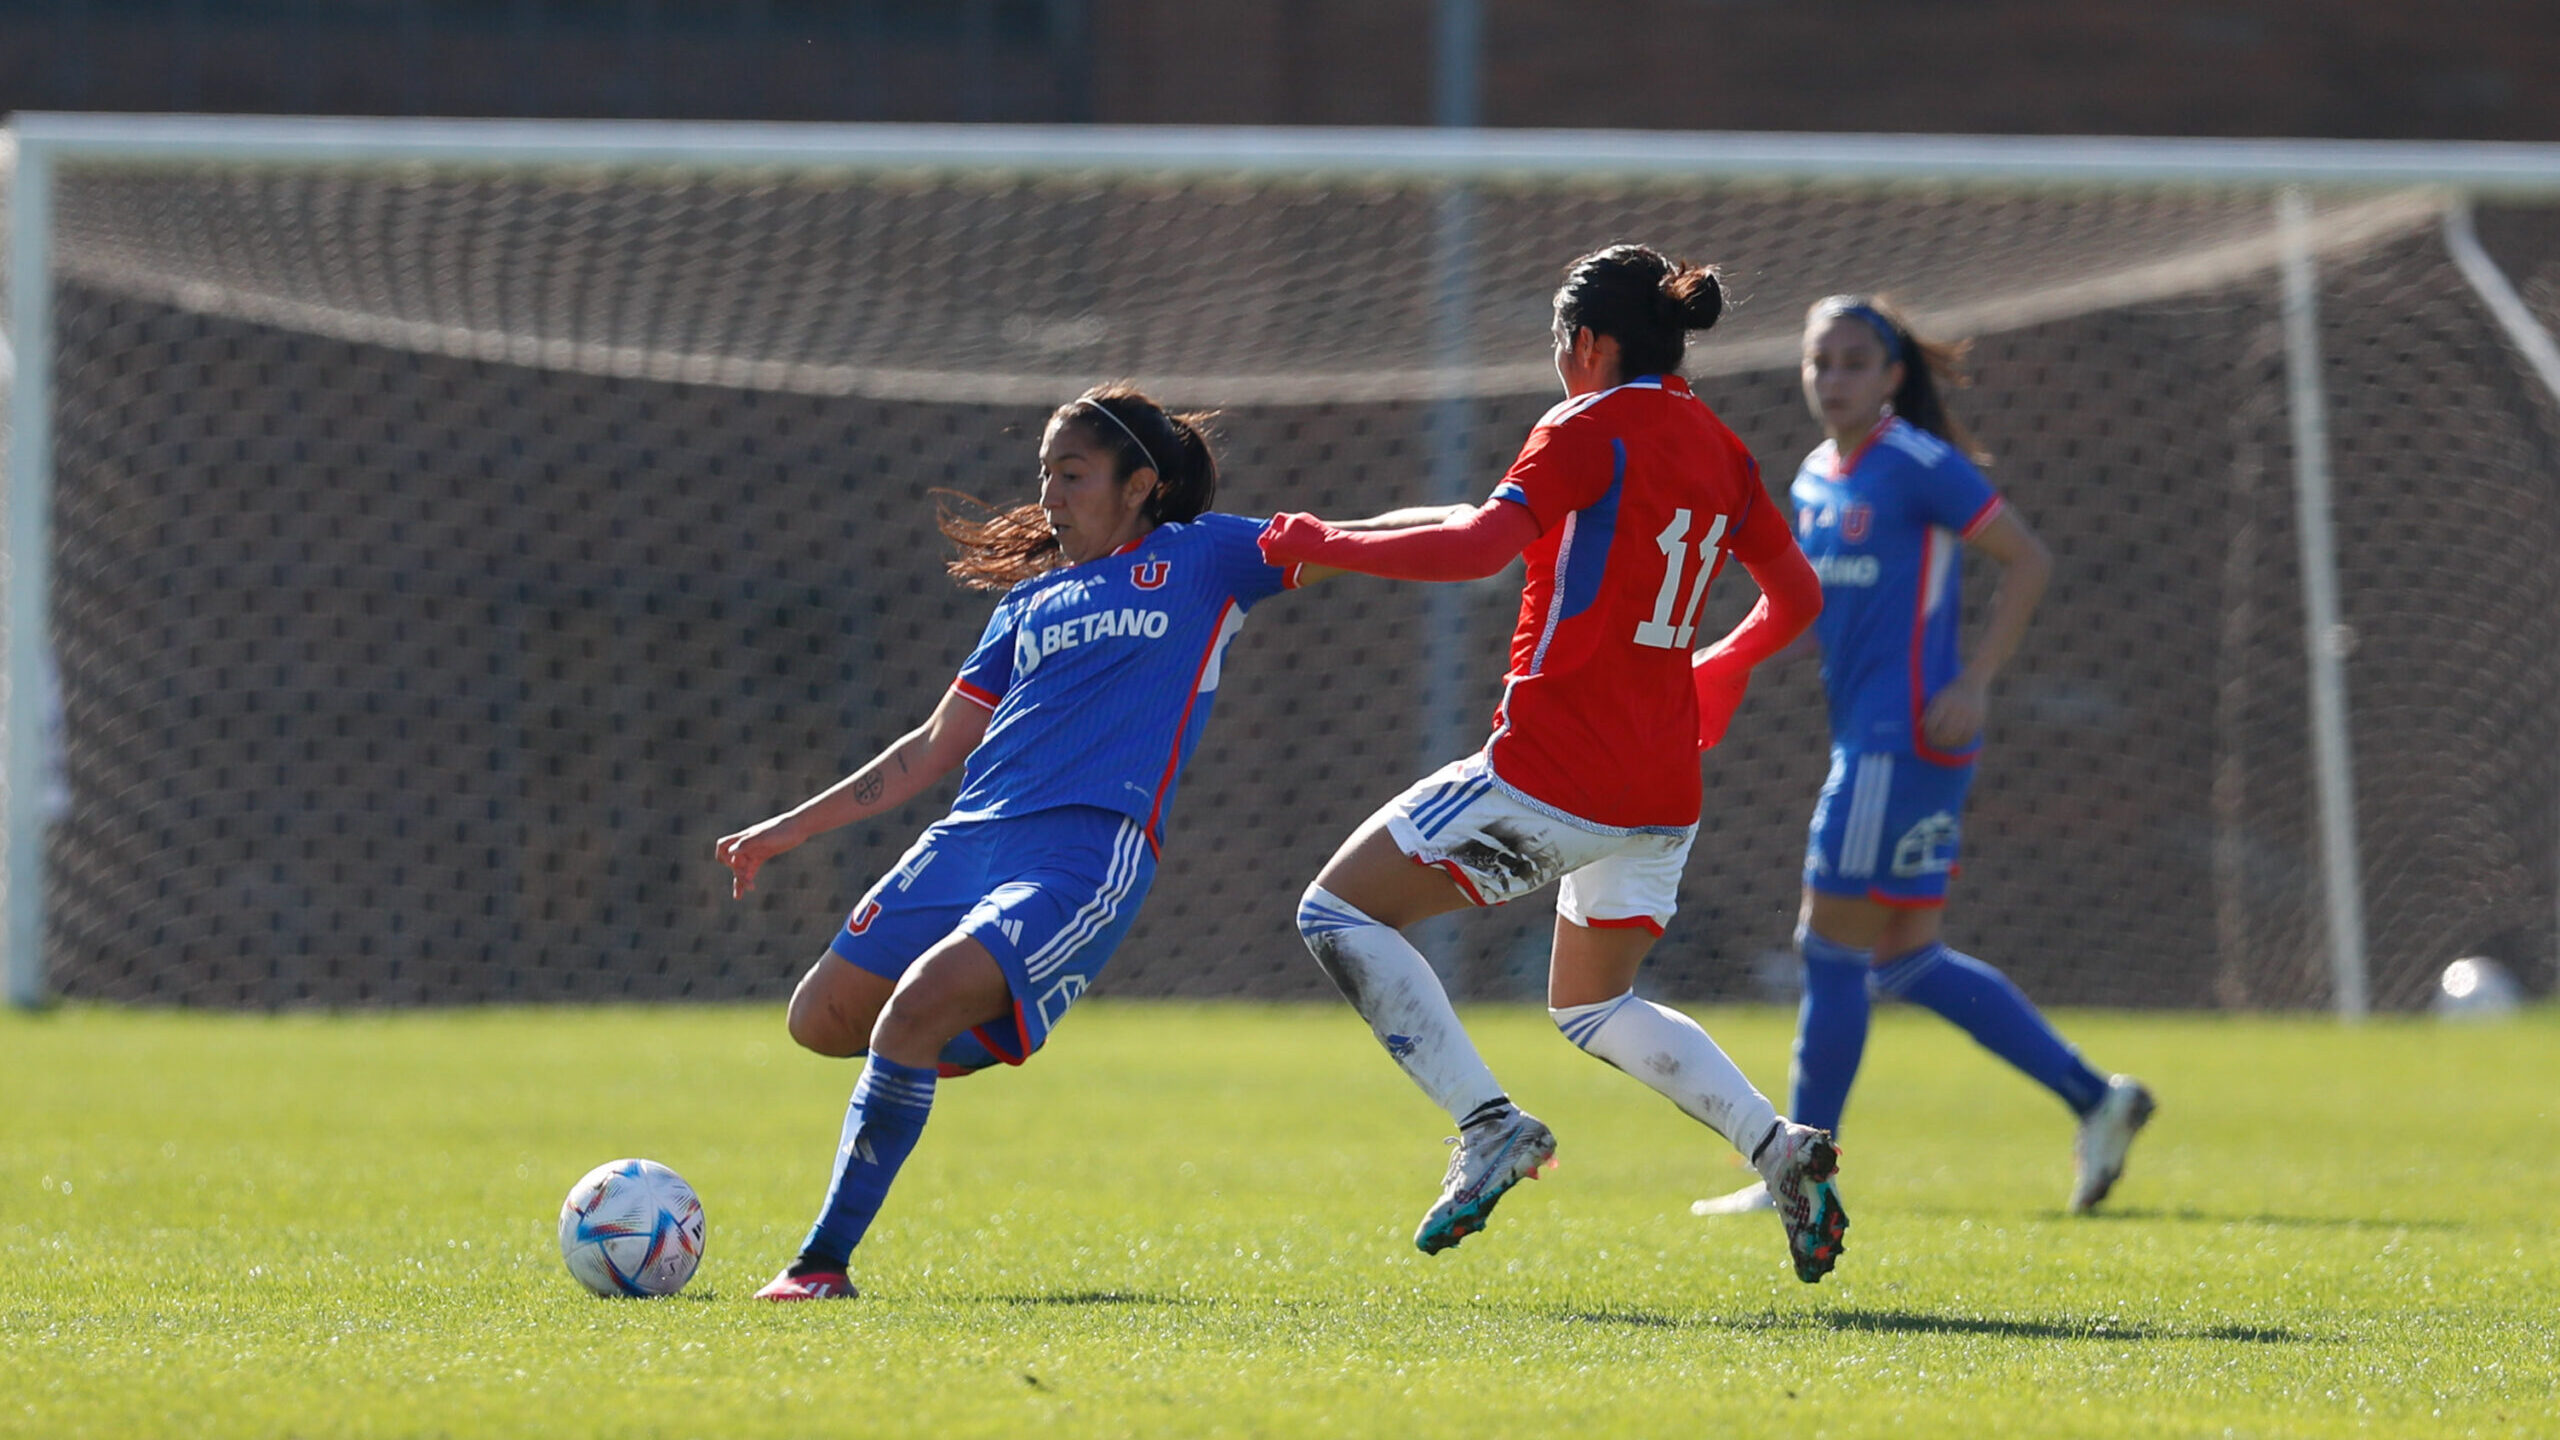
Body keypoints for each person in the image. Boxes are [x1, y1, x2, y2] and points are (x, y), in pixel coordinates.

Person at [1257, 244, 1846, 1283]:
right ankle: (1777, 1148)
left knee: (1335, 913)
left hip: (1551, 773)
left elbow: (1480, 547)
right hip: (1661, 790)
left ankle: (1487, 1125)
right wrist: (1720, 663)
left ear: (1587, 344)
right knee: (1591, 1006)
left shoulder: (1583, 425)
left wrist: (1322, 546)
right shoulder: (1717, 446)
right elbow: (1796, 601)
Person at [717, 385, 1318, 1301]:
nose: (1049, 496)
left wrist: (1503, 518)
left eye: (1071, 474)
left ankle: (819, 1266)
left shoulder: (1201, 558)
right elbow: (929, 750)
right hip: (966, 841)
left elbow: (1355, 539)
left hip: (1081, 854)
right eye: (1044, 474)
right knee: (820, 1021)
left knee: (914, 1005)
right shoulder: (1026, 607)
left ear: (1140, 485)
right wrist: (786, 830)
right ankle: (938, 1038)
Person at [1694, 294, 2153, 1221]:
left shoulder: (1916, 465)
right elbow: (1806, 609)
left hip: (1898, 741)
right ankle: (2096, 1098)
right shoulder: (1817, 475)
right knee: (1903, 956)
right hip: (1871, 740)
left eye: (1856, 362)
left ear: (1893, 373)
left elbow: (2027, 558)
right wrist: (1724, 662)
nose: (1835, 379)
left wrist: (1975, 679)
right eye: (1821, 362)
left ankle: (1799, 1163)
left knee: (1827, 950)